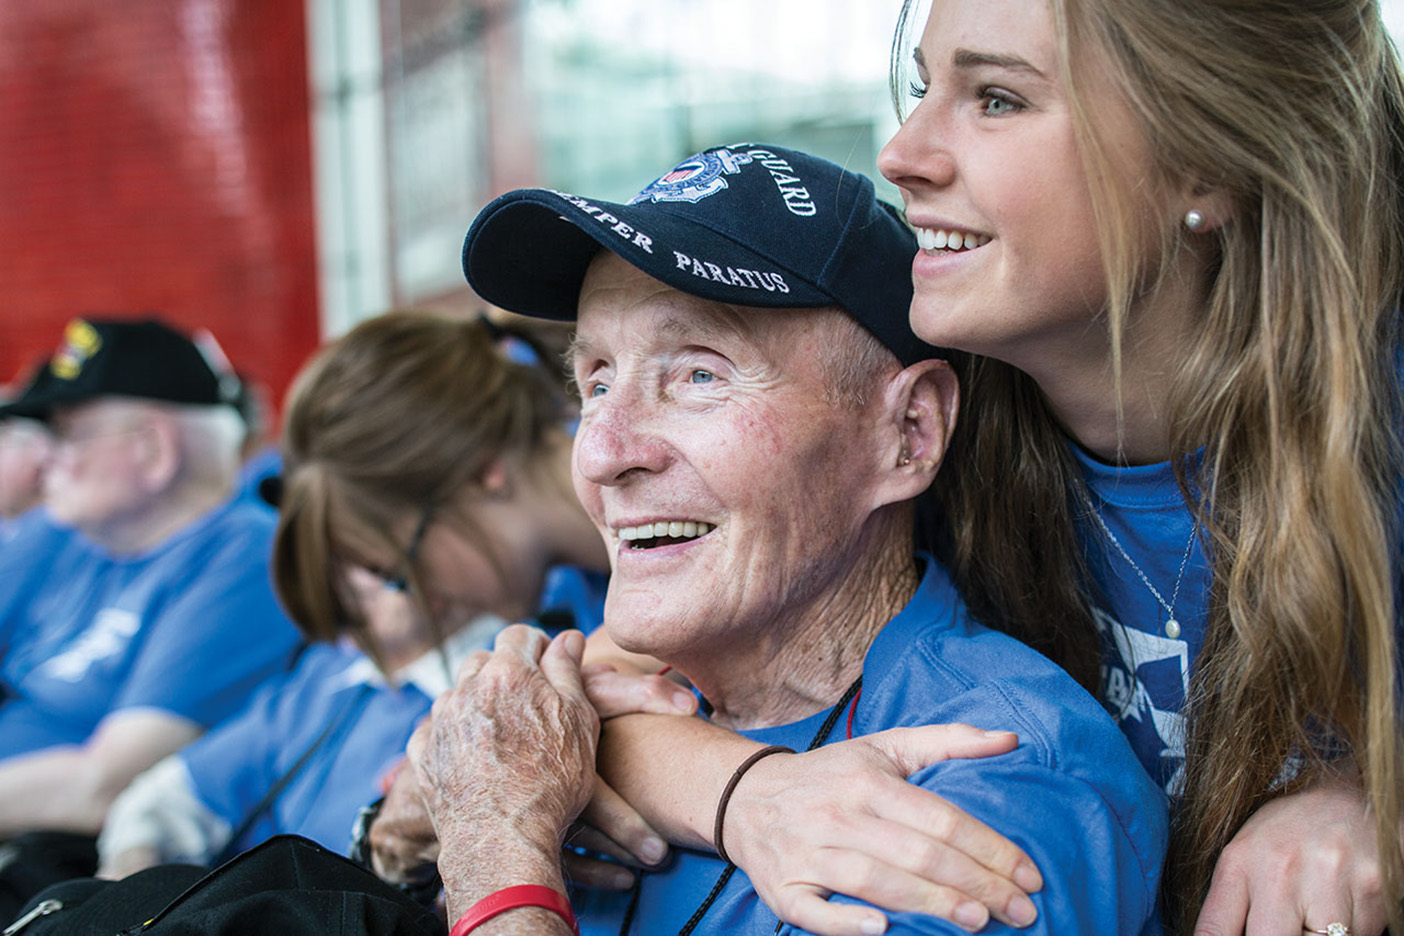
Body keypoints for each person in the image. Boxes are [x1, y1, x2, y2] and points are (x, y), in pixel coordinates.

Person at [535, 3, 1404, 935]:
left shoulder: (1377, 435)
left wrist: (1382, 802)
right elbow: (594, 699)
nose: (903, 152)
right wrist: (744, 792)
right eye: (922, 87)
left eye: (996, 98)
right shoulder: (941, 441)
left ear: (1209, 163)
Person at [406, 143, 1169, 935]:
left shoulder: (995, 784)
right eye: (595, 380)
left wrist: (498, 854)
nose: (602, 453)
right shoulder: (570, 725)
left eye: (699, 374)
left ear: (908, 433)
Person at [93, 309, 615, 882]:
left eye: (397, 568)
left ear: (481, 471)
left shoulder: (588, 600)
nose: (429, 595)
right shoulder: (582, 584)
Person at [0, 317, 303, 918]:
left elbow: (101, 786)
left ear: (152, 449)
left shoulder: (247, 558)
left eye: (68, 436)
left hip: (53, 863)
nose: (46, 462)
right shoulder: (71, 539)